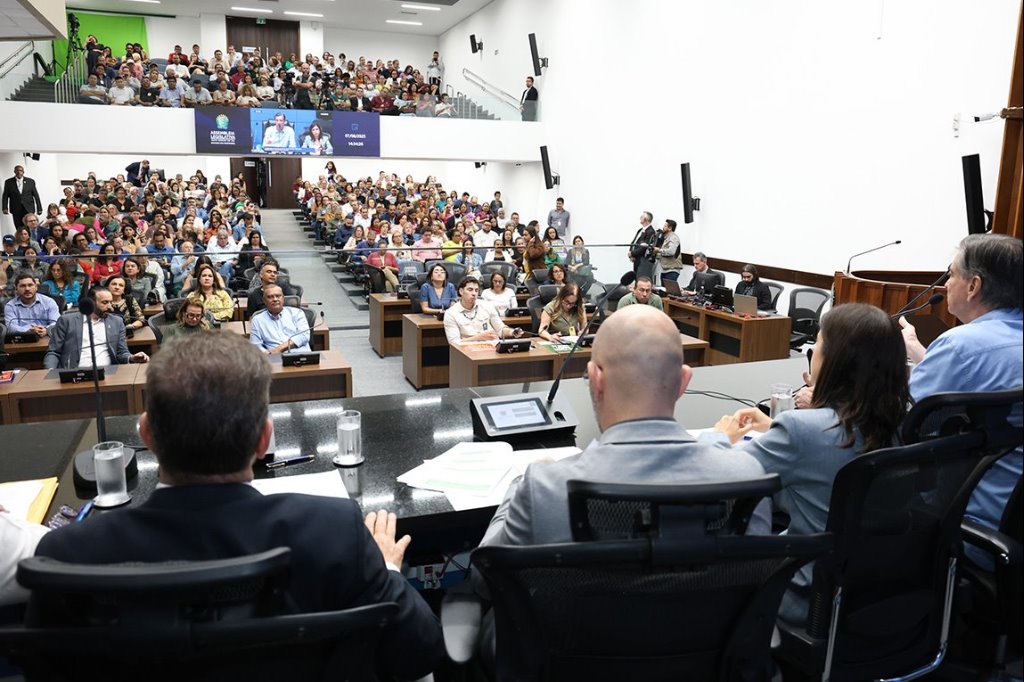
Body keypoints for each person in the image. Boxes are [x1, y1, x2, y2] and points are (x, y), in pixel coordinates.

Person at [33, 332, 443, 679]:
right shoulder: (334, 529)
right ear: (265, 440)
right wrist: (387, 568)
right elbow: (418, 652)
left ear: (146, 434)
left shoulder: (65, 555)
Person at [481, 304, 769, 547]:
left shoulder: (544, 487)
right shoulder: (749, 476)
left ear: (595, 379)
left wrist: (521, 483)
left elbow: (487, 579)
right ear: (683, 382)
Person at [714, 303, 909, 624]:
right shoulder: (898, 424)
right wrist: (777, 427)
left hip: (803, 595)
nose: (811, 350)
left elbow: (725, 477)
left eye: (816, 342)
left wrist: (721, 438)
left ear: (835, 360)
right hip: (874, 596)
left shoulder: (801, 430)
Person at [899, 234, 1022, 565]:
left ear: (973, 286)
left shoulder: (960, 346)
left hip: (968, 525)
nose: (946, 284)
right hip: (1011, 522)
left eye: (951, 274)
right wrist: (924, 355)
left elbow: (902, 422)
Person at [43, 286, 150, 369]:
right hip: (74, 372)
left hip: (108, 373)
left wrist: (131, 358)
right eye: (105, 303)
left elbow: (121, 353)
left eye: (111, 302)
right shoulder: (67, 320)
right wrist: (50, 371)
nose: (110, 307)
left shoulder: (117, 322)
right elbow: (54, 352)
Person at [443, 276, 525, 344]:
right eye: (470, 290)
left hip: (492, 348)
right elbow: (454, 342)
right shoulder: (451, 313)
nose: (474, 293)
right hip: (467, 352)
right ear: (461, 291)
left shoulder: (487, 305)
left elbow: (500, 329)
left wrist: (513, 332)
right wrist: (480, 337)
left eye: (476, 290)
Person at [249, 285, 310, 354]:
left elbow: (304, 336)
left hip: (301, 355)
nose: (275, 299)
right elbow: (255, 345)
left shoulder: (297, 313)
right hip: (275, 358)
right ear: (264, 301)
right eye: (270, 297)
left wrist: (279, 349)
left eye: (278, 296)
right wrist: (267, 353)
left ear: (283, 298)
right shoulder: (257, 320)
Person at [4, 271, 59, 336]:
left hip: (46, 336)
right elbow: (11, 327)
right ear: (16, 289)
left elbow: (57, 322)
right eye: (22, 286)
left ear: (36, 287)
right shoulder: (10, 306)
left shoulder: (49, 302)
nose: (27, 289)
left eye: (30, 285)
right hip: (23, 338)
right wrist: (28, 330)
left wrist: (46, 330)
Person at [3, 165, 42, 231]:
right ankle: (20, 240)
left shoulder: (30, 181)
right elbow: (5, 195)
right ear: (14, 171)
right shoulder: (8, 182)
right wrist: (4, 207)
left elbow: (36, 195)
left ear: (23, 172)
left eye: (21, 170)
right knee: (19, 227)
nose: (19, 172)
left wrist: (39, 208)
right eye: (17, 170)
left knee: (30, 226)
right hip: (16, 208)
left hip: (29, 208)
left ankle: (31, 240)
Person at [629, 211, 657, 280]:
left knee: (641, 279)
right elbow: (634, 242)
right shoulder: (640, 230)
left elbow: (644, 247)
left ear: (646, 219)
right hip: (636, 259)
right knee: (636, 278)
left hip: (643, 260)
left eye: (642, 217)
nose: (640, 218)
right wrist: (631, 253)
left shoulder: (650, 231)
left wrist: (632, 253)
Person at [655, 219, 683, 285]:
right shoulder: (665, 238)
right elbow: (663, 253)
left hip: (672, 270)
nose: (663, 228)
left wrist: (658, 250)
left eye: (665, 226)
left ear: (670, 228)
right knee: (663, 291)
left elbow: (671, 252)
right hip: (664, 269)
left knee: (670, 292)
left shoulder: (673, 238)